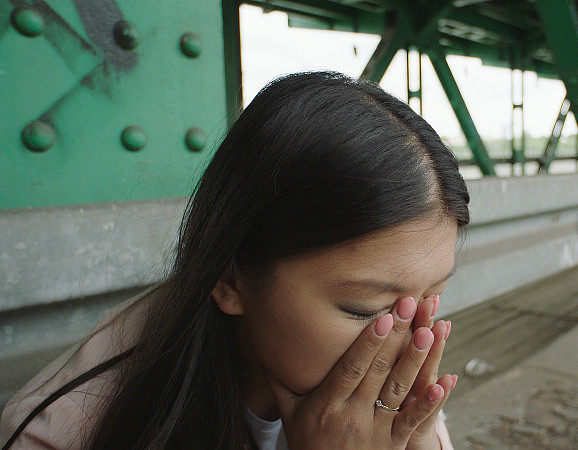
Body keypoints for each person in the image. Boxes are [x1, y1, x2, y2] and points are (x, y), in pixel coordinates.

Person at [0, 70, 470, 449]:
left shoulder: (396, 399)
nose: (415, 344)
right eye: (364, 310)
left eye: (433, 296)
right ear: (231, 276)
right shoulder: (60, 431)